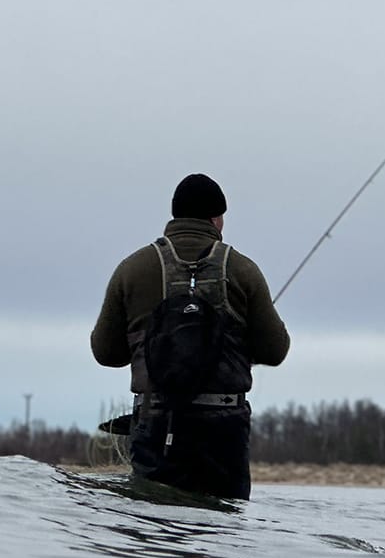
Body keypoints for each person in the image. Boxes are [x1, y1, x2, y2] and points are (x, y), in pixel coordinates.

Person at [90, 174, 290, 499]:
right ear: (216, 218)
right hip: (224, 429)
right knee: (220, 533)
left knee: (154, 529)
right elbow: (276, 351)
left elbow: (105, 353)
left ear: (174, 216)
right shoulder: (243, 270)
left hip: (156, 422)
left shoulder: (133, 269)